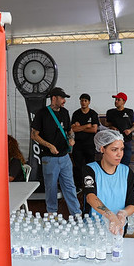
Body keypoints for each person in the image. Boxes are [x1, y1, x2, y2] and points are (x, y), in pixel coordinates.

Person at [31, 87, 82, 216]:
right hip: (49, 158)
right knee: (51, 188)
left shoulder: (65, 112)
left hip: (65, 157)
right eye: (62, 98)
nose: (64, 101)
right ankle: (52, 214)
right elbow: (34, 135)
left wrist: (71, 139)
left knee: (70, 186)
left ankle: (76, 213)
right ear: (54, 98)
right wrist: (49, 146)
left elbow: (69, 131)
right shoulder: (41, 113)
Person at [83, 130, 134, 234]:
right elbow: (90, 197)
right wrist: (110, 215)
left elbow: (132, 204)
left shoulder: (126, 172)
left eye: (121, 149)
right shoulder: (90, 170)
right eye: (114, 150)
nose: (119, 154)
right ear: (102, 149)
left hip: (117, 228)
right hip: (94, 228)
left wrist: (122, 214)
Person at [70, 93, 100, 191]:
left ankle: (90, 186)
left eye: (85, 101)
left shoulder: (93, 114)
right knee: (77, 166)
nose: (83, 102)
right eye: (82, 100)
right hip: (78, 144)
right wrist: (86, 126)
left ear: (89, 102)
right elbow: (73, 129)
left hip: (90, 144)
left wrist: (79, 127)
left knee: (90, 165)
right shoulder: (76, 113)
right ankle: (78, 186)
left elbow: (94, 130)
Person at [104, 92, 134, 166]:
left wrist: (130, 130)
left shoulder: (129, 112)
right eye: (115, 99)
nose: (116, 101)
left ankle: (123, 177)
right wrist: (111, 127)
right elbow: (107, 124)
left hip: (126, 141)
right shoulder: (110, 112)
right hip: (114, 142)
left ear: (124, 102)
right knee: (114, 163)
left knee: (125, 163)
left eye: (118, 100)